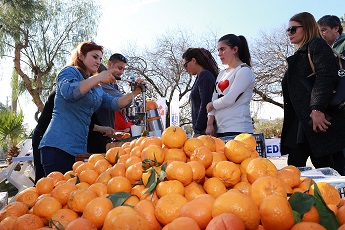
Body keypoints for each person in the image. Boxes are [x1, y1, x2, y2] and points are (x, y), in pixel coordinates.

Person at [39, 41, 145, 176]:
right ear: (81, 56)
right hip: (58, 147)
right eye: (94, 57)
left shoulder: (96, 86)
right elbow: (70, 92)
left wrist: (135, 92)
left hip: (79, 150)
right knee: (57, 192)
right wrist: (99, 77)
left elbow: (115, 103)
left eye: (100, 59)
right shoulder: (69, 72)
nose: (98, 62)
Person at [280, 12, 345, 175]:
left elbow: (325, 77)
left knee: (329, 169)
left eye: (293, 29)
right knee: (295, 168)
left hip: (316, 120)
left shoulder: (316, 46)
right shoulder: (301, 53)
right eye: (287, 30)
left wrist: (317, 108)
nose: (289, 33)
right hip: (303, 123)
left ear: (307, 27)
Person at [206, 34, 255, 137]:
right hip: (220, 129)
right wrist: (210, 123)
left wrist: (212, 105)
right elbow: (214, 96)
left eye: (222, 49)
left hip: (239, 129)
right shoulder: (221, 74)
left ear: (235, 49)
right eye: (218, 50)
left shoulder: (244, 71)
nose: (219, 54)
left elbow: (230, 99)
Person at [87, 53, 130, 153]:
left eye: (123, 69)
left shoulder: (114, 86)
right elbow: (120, 102)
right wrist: (133, 94)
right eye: (119, 68)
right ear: (109, 65)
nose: (121, 72)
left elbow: (117, 104)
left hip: (107, 133)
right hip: (94, 135)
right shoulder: (102, 84)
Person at [182, 48, 219, 137]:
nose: (186, 70)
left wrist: (198, 130)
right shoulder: (200, 77)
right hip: (204, 130)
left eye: (185, 65)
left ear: (193, 60)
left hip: (206, 131)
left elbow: (205, 104)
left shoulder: (205, 76)